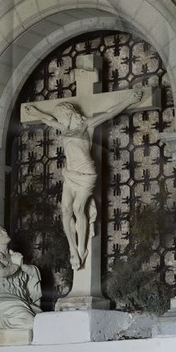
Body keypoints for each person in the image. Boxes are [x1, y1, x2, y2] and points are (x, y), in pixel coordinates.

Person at [21, 89, 146, 272]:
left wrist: (129, 100)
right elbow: (48, 120)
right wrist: (36, 113)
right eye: (59, 119)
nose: (60, 121)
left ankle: (81, 247)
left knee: (79, 209)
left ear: (69, 114)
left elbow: (110, 113)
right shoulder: (64, 129)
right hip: (70, 174)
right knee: (65, 210)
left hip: (86, 174)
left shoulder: (87, 125)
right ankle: (73, 248)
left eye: (62, 117)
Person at [0, 225, 43, 333]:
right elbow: (2, 272)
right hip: (5, 300)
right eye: (1, 233)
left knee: (43, 323)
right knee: (31, 323)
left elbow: (32, 272)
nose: (5, 233)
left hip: (22, 300)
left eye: (4, 231)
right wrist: (16, 265)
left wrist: (21, 265)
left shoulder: (14, 255)